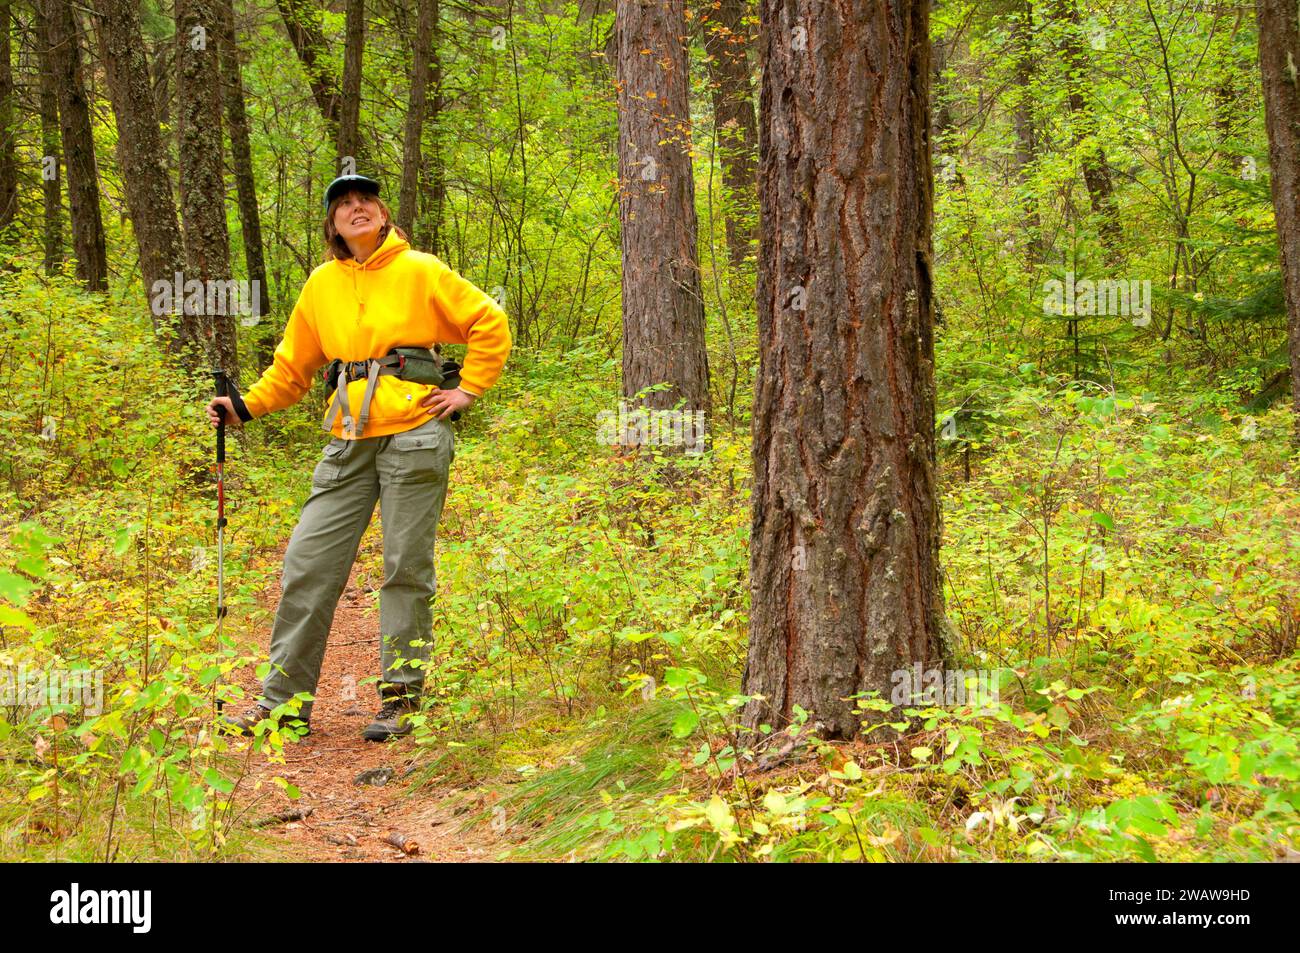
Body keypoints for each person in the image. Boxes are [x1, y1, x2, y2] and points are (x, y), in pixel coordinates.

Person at [205, 174, 511, 741]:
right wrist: (244, 408)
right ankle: (283, 706)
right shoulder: (321, 284)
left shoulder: (421, 268)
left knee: (404, 568)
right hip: (347, 437)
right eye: (344, 204)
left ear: (382, 212)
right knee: (307, 564)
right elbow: (292, 369)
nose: (357, 208)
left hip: (417, 434)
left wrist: (467, 389)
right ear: (333, 224)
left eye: (365, 200)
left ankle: (400, 700)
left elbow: (489, 321)